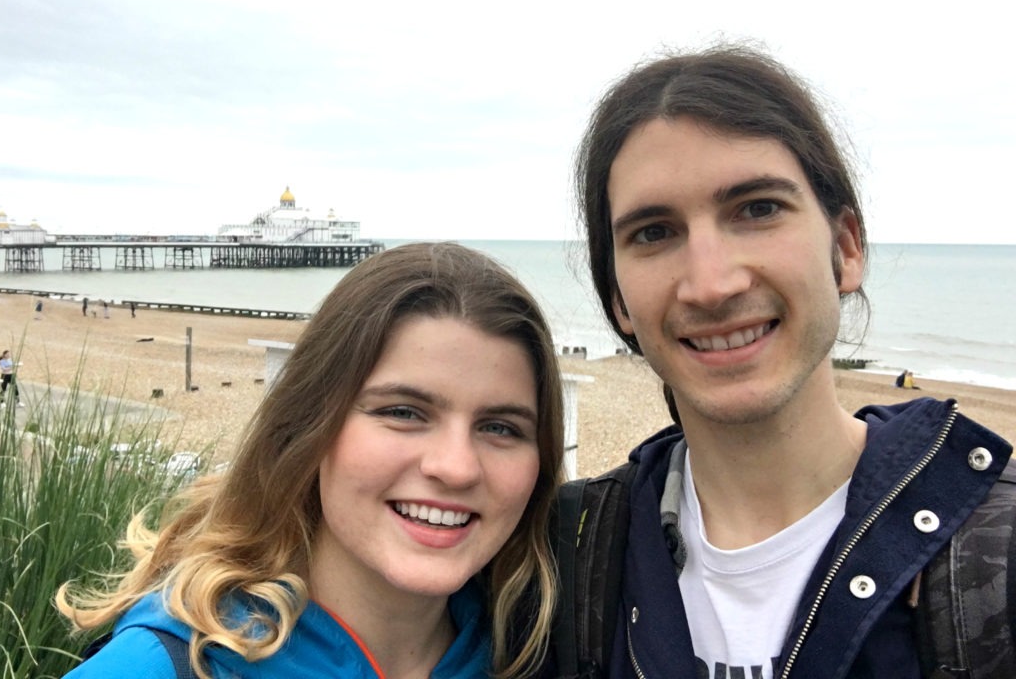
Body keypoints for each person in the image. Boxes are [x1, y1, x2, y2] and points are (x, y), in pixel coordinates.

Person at [554, 46, 1014, 678]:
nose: (710, 284)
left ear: (846, 248)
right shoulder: (567, 560)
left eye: (757, 209)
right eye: (654, 232)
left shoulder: (993, 552)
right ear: (618, 301)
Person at [57, 242, 564, 679]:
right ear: (309, 425)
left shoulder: (534, 653)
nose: (456, 467)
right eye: (403, 412)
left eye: (500, 427)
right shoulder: (165, 663)